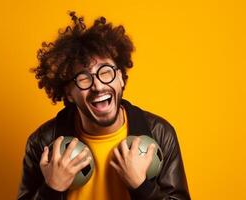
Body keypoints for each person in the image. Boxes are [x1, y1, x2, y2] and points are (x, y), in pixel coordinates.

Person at [17, 12, 190, 200]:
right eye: (83, 78)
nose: (98, 86)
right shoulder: (42, 143)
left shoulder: (160, 133)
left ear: (121, 79)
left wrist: (142, 188)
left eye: (105, 72)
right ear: (69, 93)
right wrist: (51, 189)